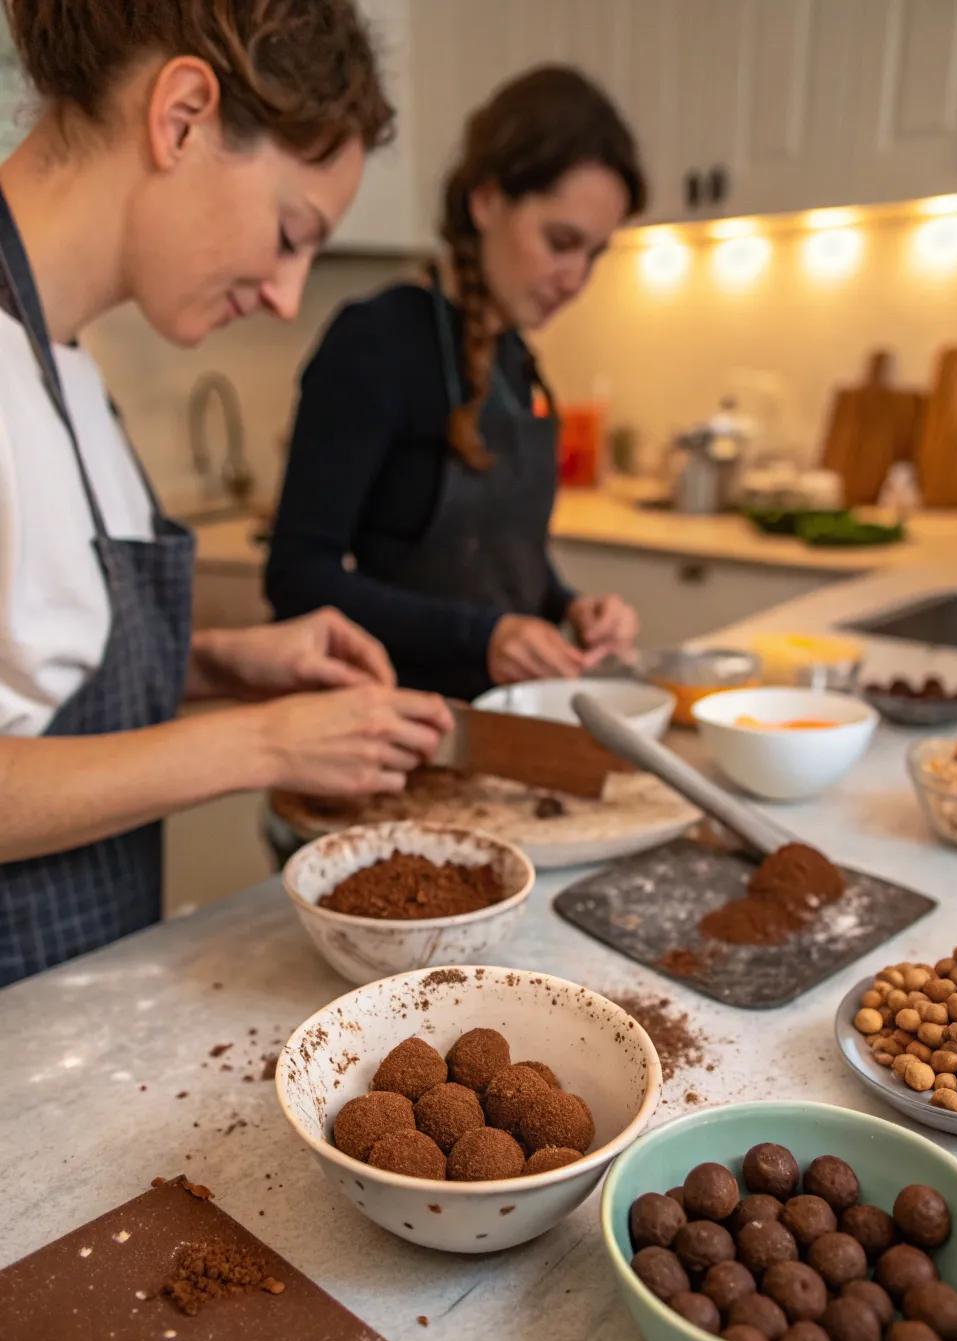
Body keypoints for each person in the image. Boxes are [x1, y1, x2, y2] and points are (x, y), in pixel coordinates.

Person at [0, 0, 452, 987]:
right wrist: (262, 741)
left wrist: (217, 664)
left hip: (70, 1009)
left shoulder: (63, 360)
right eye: (292, 232)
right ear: (183, 116)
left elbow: (32, 678)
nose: (289, 296)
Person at [267, 66, 646, 701]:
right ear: (486, 199)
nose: (576, 277)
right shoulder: (376, 343)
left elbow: (496, 567)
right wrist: (483, 637)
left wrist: (570, 608)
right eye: (561, 242)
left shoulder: (514, 362)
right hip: (384, 732)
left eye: (595, 254)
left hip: (497, 729)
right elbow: (298, 579)